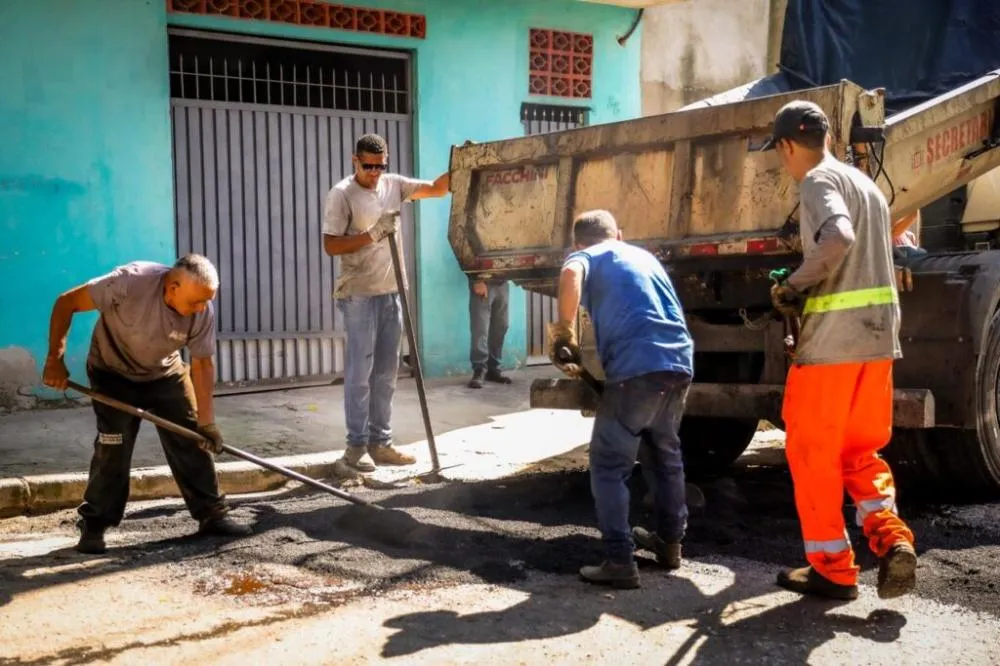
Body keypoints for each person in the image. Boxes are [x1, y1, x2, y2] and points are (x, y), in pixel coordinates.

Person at [765, 100, 917, 600]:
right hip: (877, 343)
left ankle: (832, 567)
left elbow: (838, 237)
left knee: (811, 453)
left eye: (779, 152)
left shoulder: (818, 182)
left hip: (832, 344)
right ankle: (892, 540)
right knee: (859, 450)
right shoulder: (867, 184)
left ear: (789, 145)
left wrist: (793, 284)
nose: (783, 162)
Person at [42, 255, 251, 554]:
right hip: (111, 372)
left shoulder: (202, 309)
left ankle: (212, 514)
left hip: (164, 373)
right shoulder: (129, 282)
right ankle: (95, 524)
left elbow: (203, 364)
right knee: (113, 445)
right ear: (173, 287)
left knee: (192, 438)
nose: (201, 309)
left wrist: (207, 422)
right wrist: (55, 358)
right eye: (196, 302)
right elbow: (67, 302)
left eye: (206, 302)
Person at [549, 209, 694, 589]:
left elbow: (569, 274)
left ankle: (619, 559)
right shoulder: (643, 256)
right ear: (620, 233)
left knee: (609, 463)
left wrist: (564, 334)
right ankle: (670, 544)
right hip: (678, 362)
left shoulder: (585, 256)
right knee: (664, 454)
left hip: (637, 367)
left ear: (578, 243)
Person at [322, 133, 450, 475]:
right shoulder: (342, 194)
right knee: (360, 374)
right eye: (368, 166)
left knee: (386, 373)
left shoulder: (394, 184)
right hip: (358, 293)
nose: (375, 173)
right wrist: (372, 235)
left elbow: (437, 189)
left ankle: (381, 442)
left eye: (381, 166)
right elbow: (331, 246)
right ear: (355, 161)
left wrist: (462, 163)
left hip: (393, 290)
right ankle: (356, 447)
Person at [467, 274, 512, 388]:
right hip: (483, 282)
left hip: (502, 282)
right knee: (480, 329)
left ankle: (493, 369)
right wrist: (476, 280)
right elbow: (468, 257)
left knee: (501, 326)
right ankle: (479, 369)